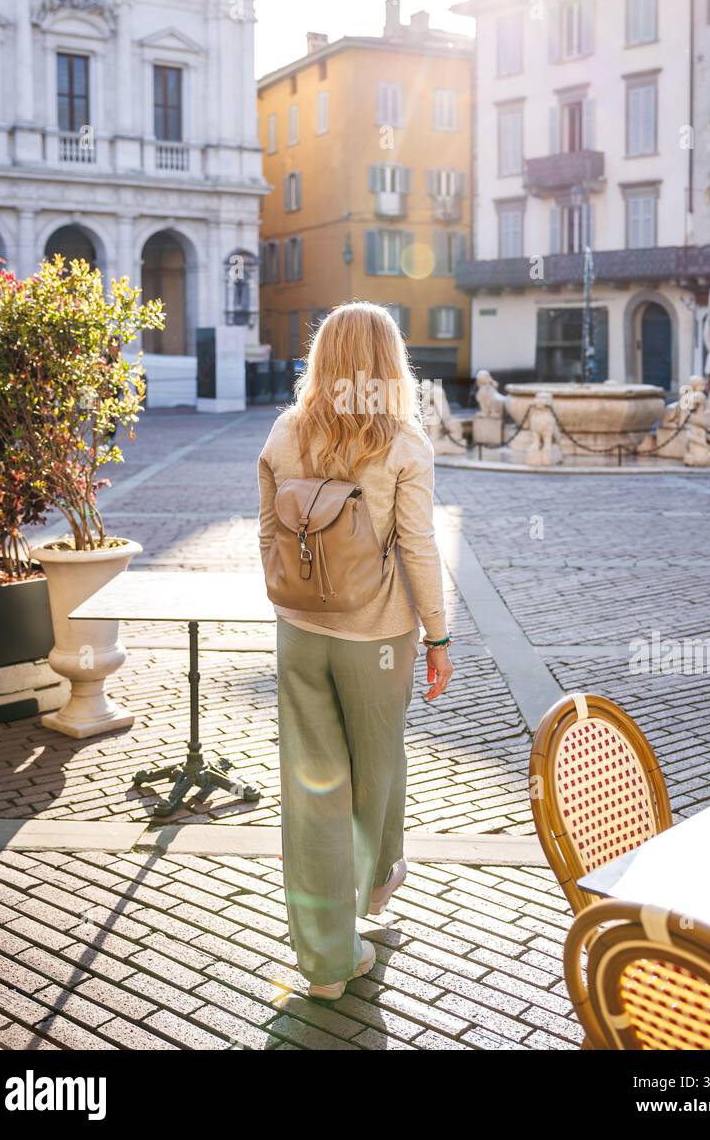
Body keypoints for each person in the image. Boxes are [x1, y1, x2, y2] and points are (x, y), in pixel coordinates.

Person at [257, 302, 454, 999]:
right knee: (377, 772)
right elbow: (419, 547)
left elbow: (267, 537)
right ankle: (373, 886)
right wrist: (439, 635)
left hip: (300, 633)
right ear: (389, 362)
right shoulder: (403, 442)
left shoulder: (284, 432)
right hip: (379, 638)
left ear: (323, 359)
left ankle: (325, 964)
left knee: (312, 793)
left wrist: (291, 604)